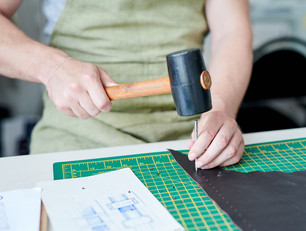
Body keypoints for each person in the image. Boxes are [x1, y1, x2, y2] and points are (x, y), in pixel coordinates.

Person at [0, 0, 253, 169]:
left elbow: (232, 31)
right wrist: (52, 67)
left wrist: (221, 109)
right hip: (79, 132)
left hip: (193, 137)